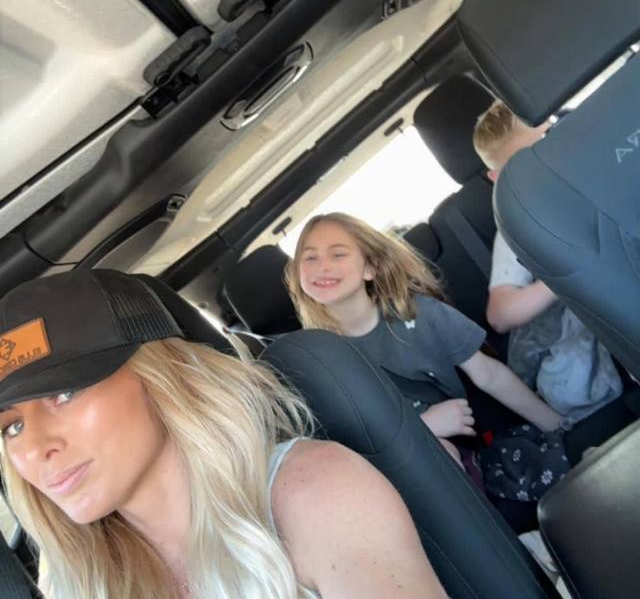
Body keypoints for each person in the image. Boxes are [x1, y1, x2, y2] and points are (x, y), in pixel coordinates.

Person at [0, 269, 447, 599]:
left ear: (161, 374)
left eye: (64, 394)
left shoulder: (314, 494)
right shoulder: (76, 580)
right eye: (12, 426)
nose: (34, 448)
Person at [285, 212, 572, 507]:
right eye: (310, 258)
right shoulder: (316, 361)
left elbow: (488, 374)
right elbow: (349, 446)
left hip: (463, 450)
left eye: (338, 254)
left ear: (370, 267)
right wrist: (423, 427)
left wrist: (557, 425)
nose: (322, 266)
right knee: (441, 450)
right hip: (394, 472)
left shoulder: (420, 315)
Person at [473, 100, 622, 421]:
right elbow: (500, 315)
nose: (545, 163)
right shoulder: (518, 224)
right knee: (571, 373)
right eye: (526, 163)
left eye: (547, 142)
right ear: (498, 177)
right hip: (588, 324)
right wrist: (562, 274)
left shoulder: (604, 165)